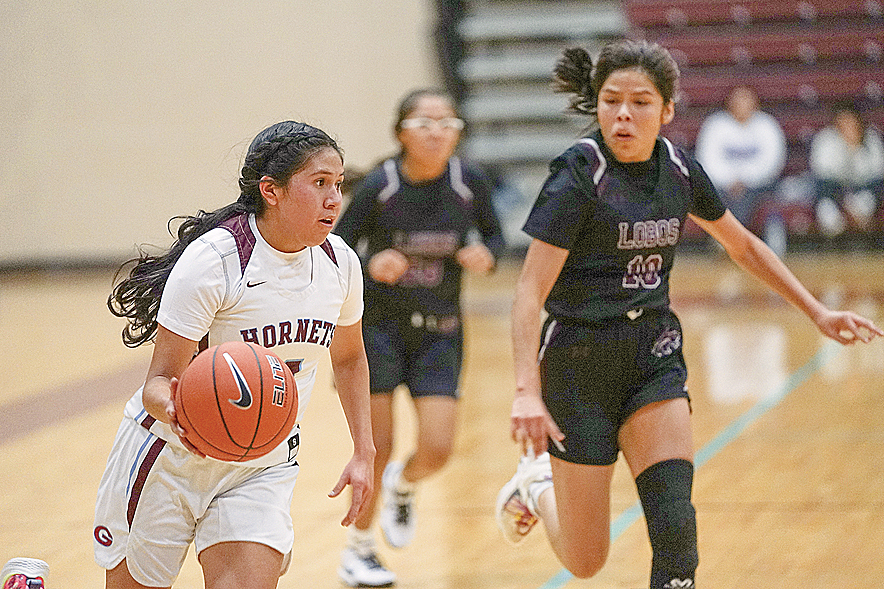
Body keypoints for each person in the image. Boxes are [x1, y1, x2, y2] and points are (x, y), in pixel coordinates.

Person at [494, 42, 883, 589]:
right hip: (577, 367)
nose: (623, 114)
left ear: (668, 110)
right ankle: (535, 486)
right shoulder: (579, 175)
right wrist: (525, 392)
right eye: (611, 101)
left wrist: (816, 311)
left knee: (677, 538)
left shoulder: (678, 168)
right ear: (597, 106)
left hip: (652, 358)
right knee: (586, 561)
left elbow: (743, 245)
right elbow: (529, 292)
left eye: (640, 102)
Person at [93, 121, 375, 589]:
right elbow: (158, 384)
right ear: (272, 190)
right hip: (171, 456)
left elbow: (348, 357)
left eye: (338, 184)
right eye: (319, 183)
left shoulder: (340, 263)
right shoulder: (217, 261)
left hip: (260, 463)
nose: (334, 199)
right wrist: (186, 416)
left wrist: (364, 449)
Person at [333, 88, 504, 587]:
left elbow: (494, 237)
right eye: (424, 122)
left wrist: (487, 255)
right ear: (401, 132)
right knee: (377, 446)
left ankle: (403, 488)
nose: (436, 131)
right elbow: (336, 250)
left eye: (446, 122)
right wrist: (368, 264)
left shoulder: (469, 182)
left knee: (437, 448)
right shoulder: (380, 186)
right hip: (378, 332)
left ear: (458, 132)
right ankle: (358, 549)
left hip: (441, 333)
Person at [694, 84, 788, 253]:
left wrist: (745, 180)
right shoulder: (715, 124)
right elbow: (706, 159)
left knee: (762, 196)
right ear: (729, 102)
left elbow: (773, 161)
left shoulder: (767, 125)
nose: (741, 104)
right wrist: (730, 180)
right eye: (737, 99)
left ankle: (731, 238)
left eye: (746, 99)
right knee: (714, 195)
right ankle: (724, 238)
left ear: (755, 102)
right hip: (722, 184)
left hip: (758, 184)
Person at [809, 102, 884, 237]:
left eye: (851, 122)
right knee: (822, 187)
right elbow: (822, 171)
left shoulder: (871, 139)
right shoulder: (825, 139)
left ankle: (861, 210)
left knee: (878, 186)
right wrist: (847, 151)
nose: (847, 126)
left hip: (864, 188)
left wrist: (856, 149)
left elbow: (878, 171)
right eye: (843, 122)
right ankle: (831, 218)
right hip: (835, 189)